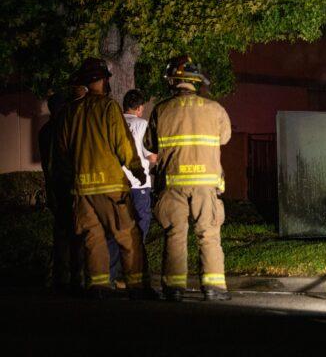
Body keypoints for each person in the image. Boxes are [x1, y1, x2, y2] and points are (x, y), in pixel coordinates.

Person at [56, 57, 156, 300]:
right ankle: (137, 286)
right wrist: (137, 170)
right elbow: (123, 143)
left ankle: (98, 286)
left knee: (93, 237)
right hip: (110, 187)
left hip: (82, 190)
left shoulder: (71, 112)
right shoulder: (108, 107)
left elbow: (62, 152)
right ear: (101, 80)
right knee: (128, 234)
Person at [144, 55, 231, 302]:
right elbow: (225, 137)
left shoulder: (161, 110)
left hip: (173, 183)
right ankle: (214, 288)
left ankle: (174, 288)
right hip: (206, 184)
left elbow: (150, 144)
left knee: (175, 233)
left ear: (173, 81)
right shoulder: (215, 109)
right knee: (209, 233)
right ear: (195, 81)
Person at [107, 89, 157, 286]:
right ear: (140, 108)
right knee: (139, 229)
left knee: (115, 228)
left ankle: (110, 275)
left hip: (117, 184)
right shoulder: (142, 124)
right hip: (139, 186)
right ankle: (134, 274)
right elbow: (151, 156)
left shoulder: (114, 124)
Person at [39, 91, 83, 293]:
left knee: (61, 233)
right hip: (67, 186)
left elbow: (47, 165)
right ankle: (74, 277)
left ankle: (60, 277)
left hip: (55, 186)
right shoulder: (65, 128)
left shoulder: (45, 130)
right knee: (74, 232)